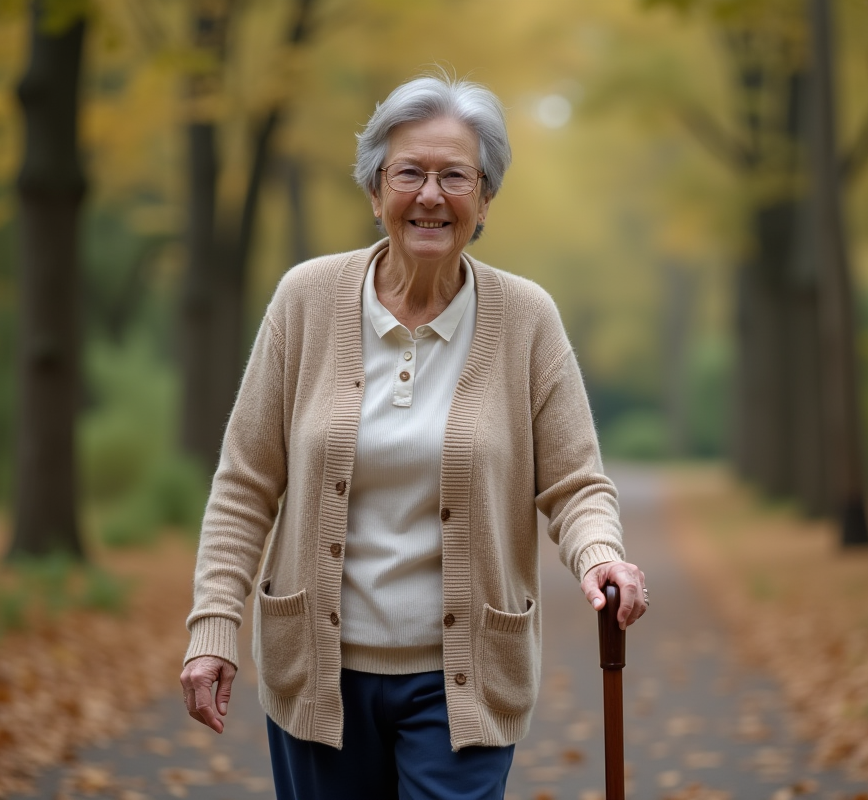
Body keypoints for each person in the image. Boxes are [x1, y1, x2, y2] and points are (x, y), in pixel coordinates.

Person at [179, 71, 649, 800]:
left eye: (456, 176)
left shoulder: (526, 319)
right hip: (318, 674)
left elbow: (575, 483)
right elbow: (245, 484)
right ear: (376, 191)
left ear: (484, 200)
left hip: (464, 682)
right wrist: (213, 626)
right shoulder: (305, 301)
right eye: (409, 173)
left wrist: (600, 555)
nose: (431, 195)